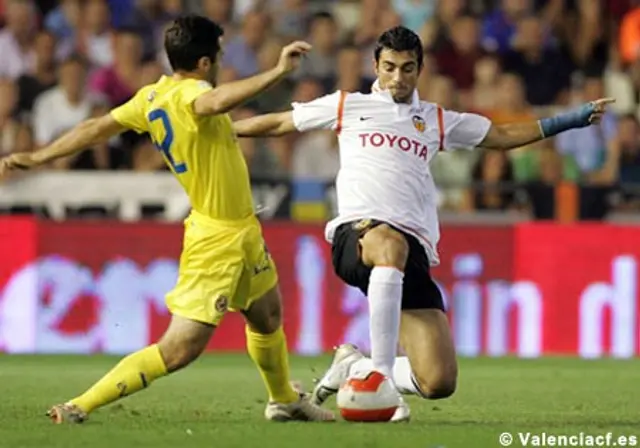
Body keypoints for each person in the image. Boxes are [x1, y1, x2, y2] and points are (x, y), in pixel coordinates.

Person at [231, 25, 614, 422]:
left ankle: (357, 367)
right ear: (376, 66)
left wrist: (566, 121)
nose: (398, 77)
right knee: (388, 244)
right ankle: (379, 374)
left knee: (438, 380)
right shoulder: (347, 105)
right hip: (359, 235)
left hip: (410, 251)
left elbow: (500, 135)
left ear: (420, 69)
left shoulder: (434, 119)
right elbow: (278, 123)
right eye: (389, 67)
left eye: (408, 68)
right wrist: (223, 129)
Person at [0, 15, 335, 424]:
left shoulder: (152, 96)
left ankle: (283, 399)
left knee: (266, 315)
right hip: (218, 237)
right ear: (206, 62)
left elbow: (95, 127)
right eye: (221, 52)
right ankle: (79, 405)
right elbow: (213, 102)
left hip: (242, 229)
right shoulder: (193, 94)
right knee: (181, 348)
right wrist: (278, 71)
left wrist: (39, 156)